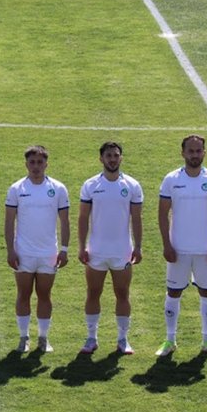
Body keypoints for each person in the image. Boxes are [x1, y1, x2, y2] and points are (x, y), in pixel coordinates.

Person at [156, 135, 207, 357]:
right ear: (183, 153)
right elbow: (162, 213)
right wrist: (167, 245)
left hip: (205, 250)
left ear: (204, 153)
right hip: (178, 249)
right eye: (191, 151)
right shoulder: (170, 180)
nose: (195, 155)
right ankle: (170, 341)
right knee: (173, 291)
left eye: (198, 151)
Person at [77, 141, 143, 355]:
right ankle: (91, 338)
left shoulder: (132, 185)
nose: (112, 159)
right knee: (93, 293)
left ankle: (123, 340)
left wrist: (138, 247)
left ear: (121, 158)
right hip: (96, 251)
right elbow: (83, 218)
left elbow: (136, 219)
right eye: (108, 156)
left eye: (116, 155)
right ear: (101, 159)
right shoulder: (90, 185)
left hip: (122, 251)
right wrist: (81, 247)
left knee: (122, 294)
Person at [4, 145, 70, 353]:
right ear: (26, 164)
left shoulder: (58, 189)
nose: (36, 166)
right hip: (23, 253)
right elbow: (8, 222)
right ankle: (24, 338)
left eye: (40, 162)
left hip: (48, 253)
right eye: (32, 162)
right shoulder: (16, 189)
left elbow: (65, 221)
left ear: (46, 164)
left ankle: (43, 338)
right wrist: (10, 250)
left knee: (44, 295)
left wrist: (65, 249)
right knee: (23, 294)